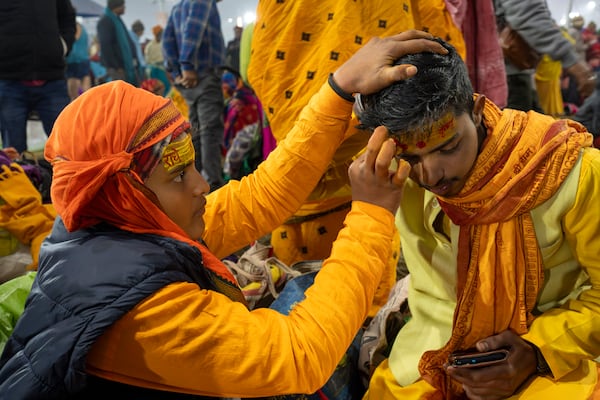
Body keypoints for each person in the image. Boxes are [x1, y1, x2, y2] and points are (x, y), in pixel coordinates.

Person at [0, 31, 449, 398]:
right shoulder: (141, 313)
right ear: (127, 193)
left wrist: (337, 91)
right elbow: (299, 356)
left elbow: (261, 195)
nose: (202, 184)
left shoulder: (120, 226)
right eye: (179, 174)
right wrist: (370, 215)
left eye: (194, 165)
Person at [355, 37, 600, 399]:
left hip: (551, 362)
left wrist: (536, 353)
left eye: (449, 147)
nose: (432, 176)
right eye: (412, 158)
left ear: (475, 110)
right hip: (428, 358)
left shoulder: (571, 172)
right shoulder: (389, 176)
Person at [163, 0, 228, 190]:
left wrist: (176, 73)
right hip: (203, 74)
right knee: (209, 130)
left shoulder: (178, 7)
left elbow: (167, 41)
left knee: (197, 130)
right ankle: (212, 183)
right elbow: (194, 28)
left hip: (190, 81)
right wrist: (187, 66)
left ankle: (195, 179)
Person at [0, 0, 76, 153]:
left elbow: (67, 17)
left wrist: (62, 46)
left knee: (68, 148)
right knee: (14, 152)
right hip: (9, 80)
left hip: (52, 79)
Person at [494, 0, 597, 112]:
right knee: (517, 123)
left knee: (533, 117)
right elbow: (531, 18)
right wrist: (574, 63)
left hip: (515, 69)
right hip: (510, 71)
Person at [96, 0, 141, 86]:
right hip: (117, 67)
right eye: (123, 6)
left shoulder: (118, 20)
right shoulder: (105, 21)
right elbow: (106, 46)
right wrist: (116, 66)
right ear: (117, 6)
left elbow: (127, 41)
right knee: (120, 92)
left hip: (125, 65)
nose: (124, 8)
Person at [65, 19, 92, 101]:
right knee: (86, 94)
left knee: (74, 97)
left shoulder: (73, 27)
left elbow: (74, 38)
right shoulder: (82, 27)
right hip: (84, 60)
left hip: (74, 61)